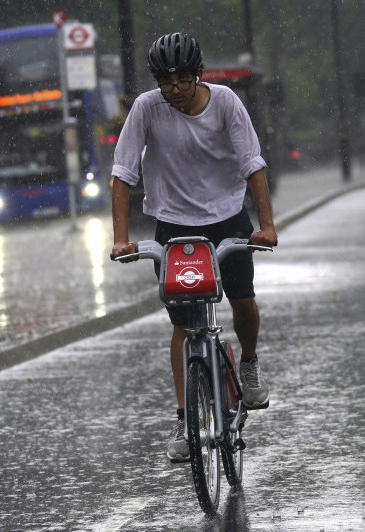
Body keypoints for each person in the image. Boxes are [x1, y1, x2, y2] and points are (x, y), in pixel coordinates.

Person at [110, 33, 278, 463]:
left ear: (197, 76)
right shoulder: (147, 108)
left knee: (243, 300)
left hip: (227, 216)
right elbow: (123, 173)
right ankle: (186, 422)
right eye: (166, 82)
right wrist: (121, 239)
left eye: (183, 80)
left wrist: (267, 226)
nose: (175, 90)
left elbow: (253, 164)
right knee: (183, 325)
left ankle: (250, 363)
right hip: (173, 225)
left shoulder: (224, 103)